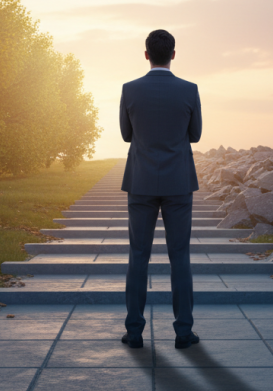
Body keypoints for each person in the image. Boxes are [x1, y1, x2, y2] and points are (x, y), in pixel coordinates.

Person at [119, 29, 203, 350]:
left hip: (140, 181)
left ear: (146, 55)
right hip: (178, 183)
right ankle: (183, 332)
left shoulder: (130, 90)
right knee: (179, 256)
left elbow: (127, 135)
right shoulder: (189, 90)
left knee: (138, 256)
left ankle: (134, 332)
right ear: (173, 55)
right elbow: (194, 135)